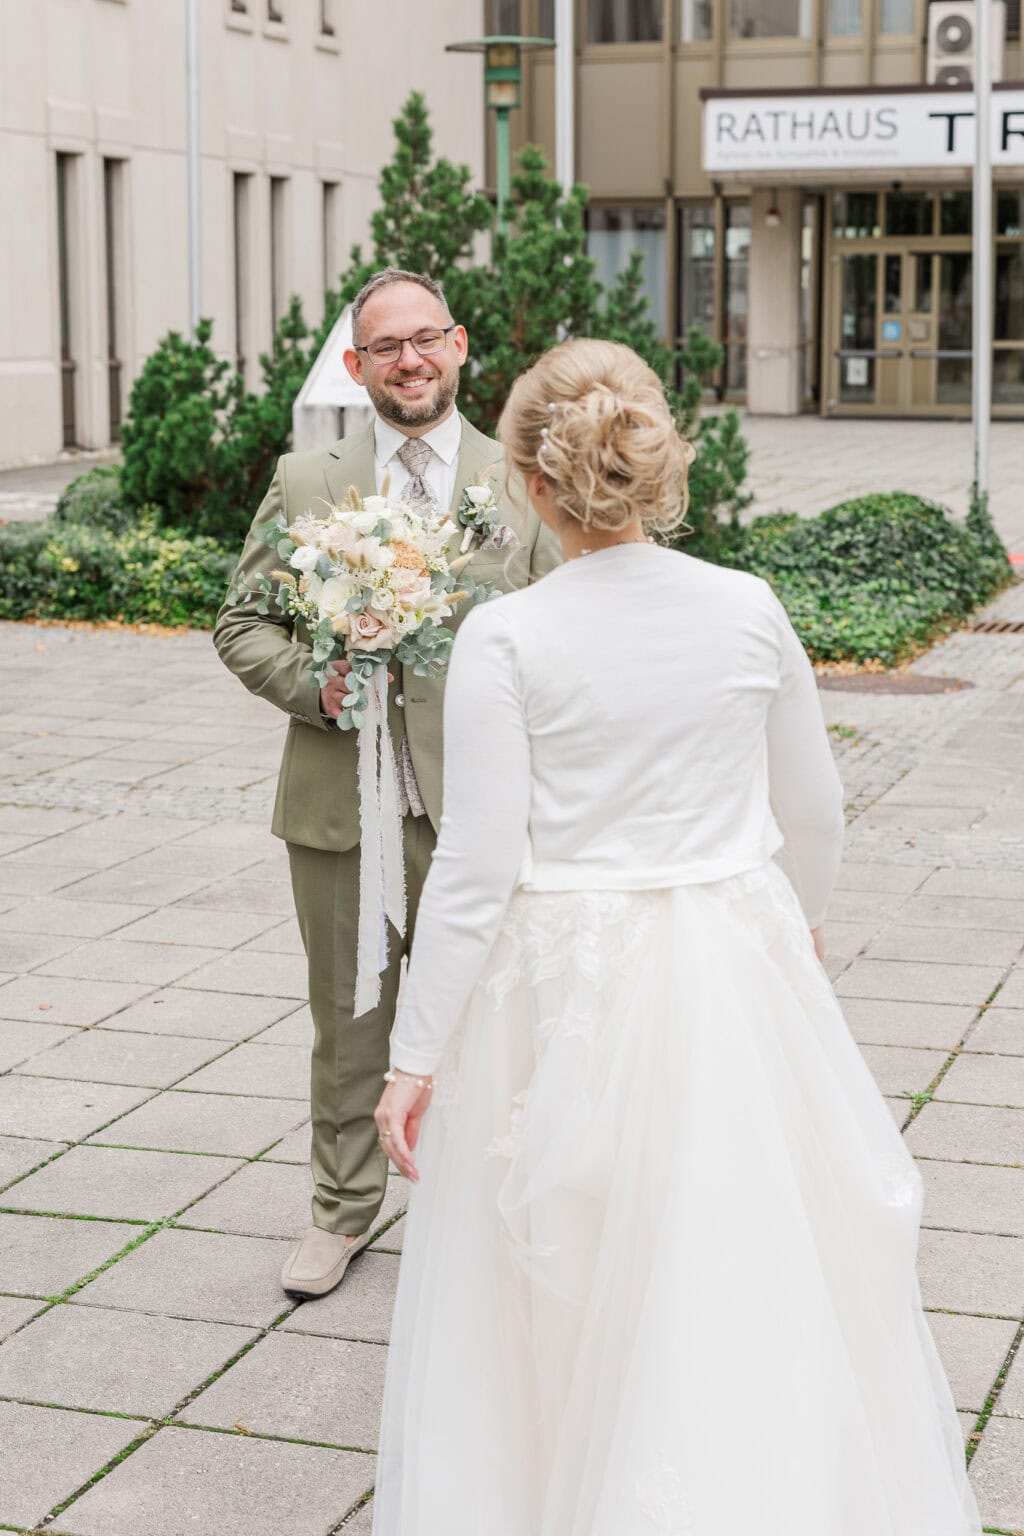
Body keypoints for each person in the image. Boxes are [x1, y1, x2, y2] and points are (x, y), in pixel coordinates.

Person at [370, 339, 981, 1534]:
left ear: (535, 488)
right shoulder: (747, 606)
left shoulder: (511, 636)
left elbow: (478, 866)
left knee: (556, 1281)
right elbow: (813, 808)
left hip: (564, 992)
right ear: (652, 466)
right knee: (745, 1258)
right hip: (727, 961)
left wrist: (415, 1050)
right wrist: (794, 922)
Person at [213, 268, 559, 1300]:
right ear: (357, 367)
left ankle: (503, 1206)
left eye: (426, 339)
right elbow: (242, 624)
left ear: (459, 347)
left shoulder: (522, 480)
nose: (408, 360)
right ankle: (341, 1212)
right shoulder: (310, 481)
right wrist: (316, 689)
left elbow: (559, 628)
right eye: (385, 347)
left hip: (481, 815)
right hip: (341, 813)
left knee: (500, 1023)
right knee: (347, 1022)